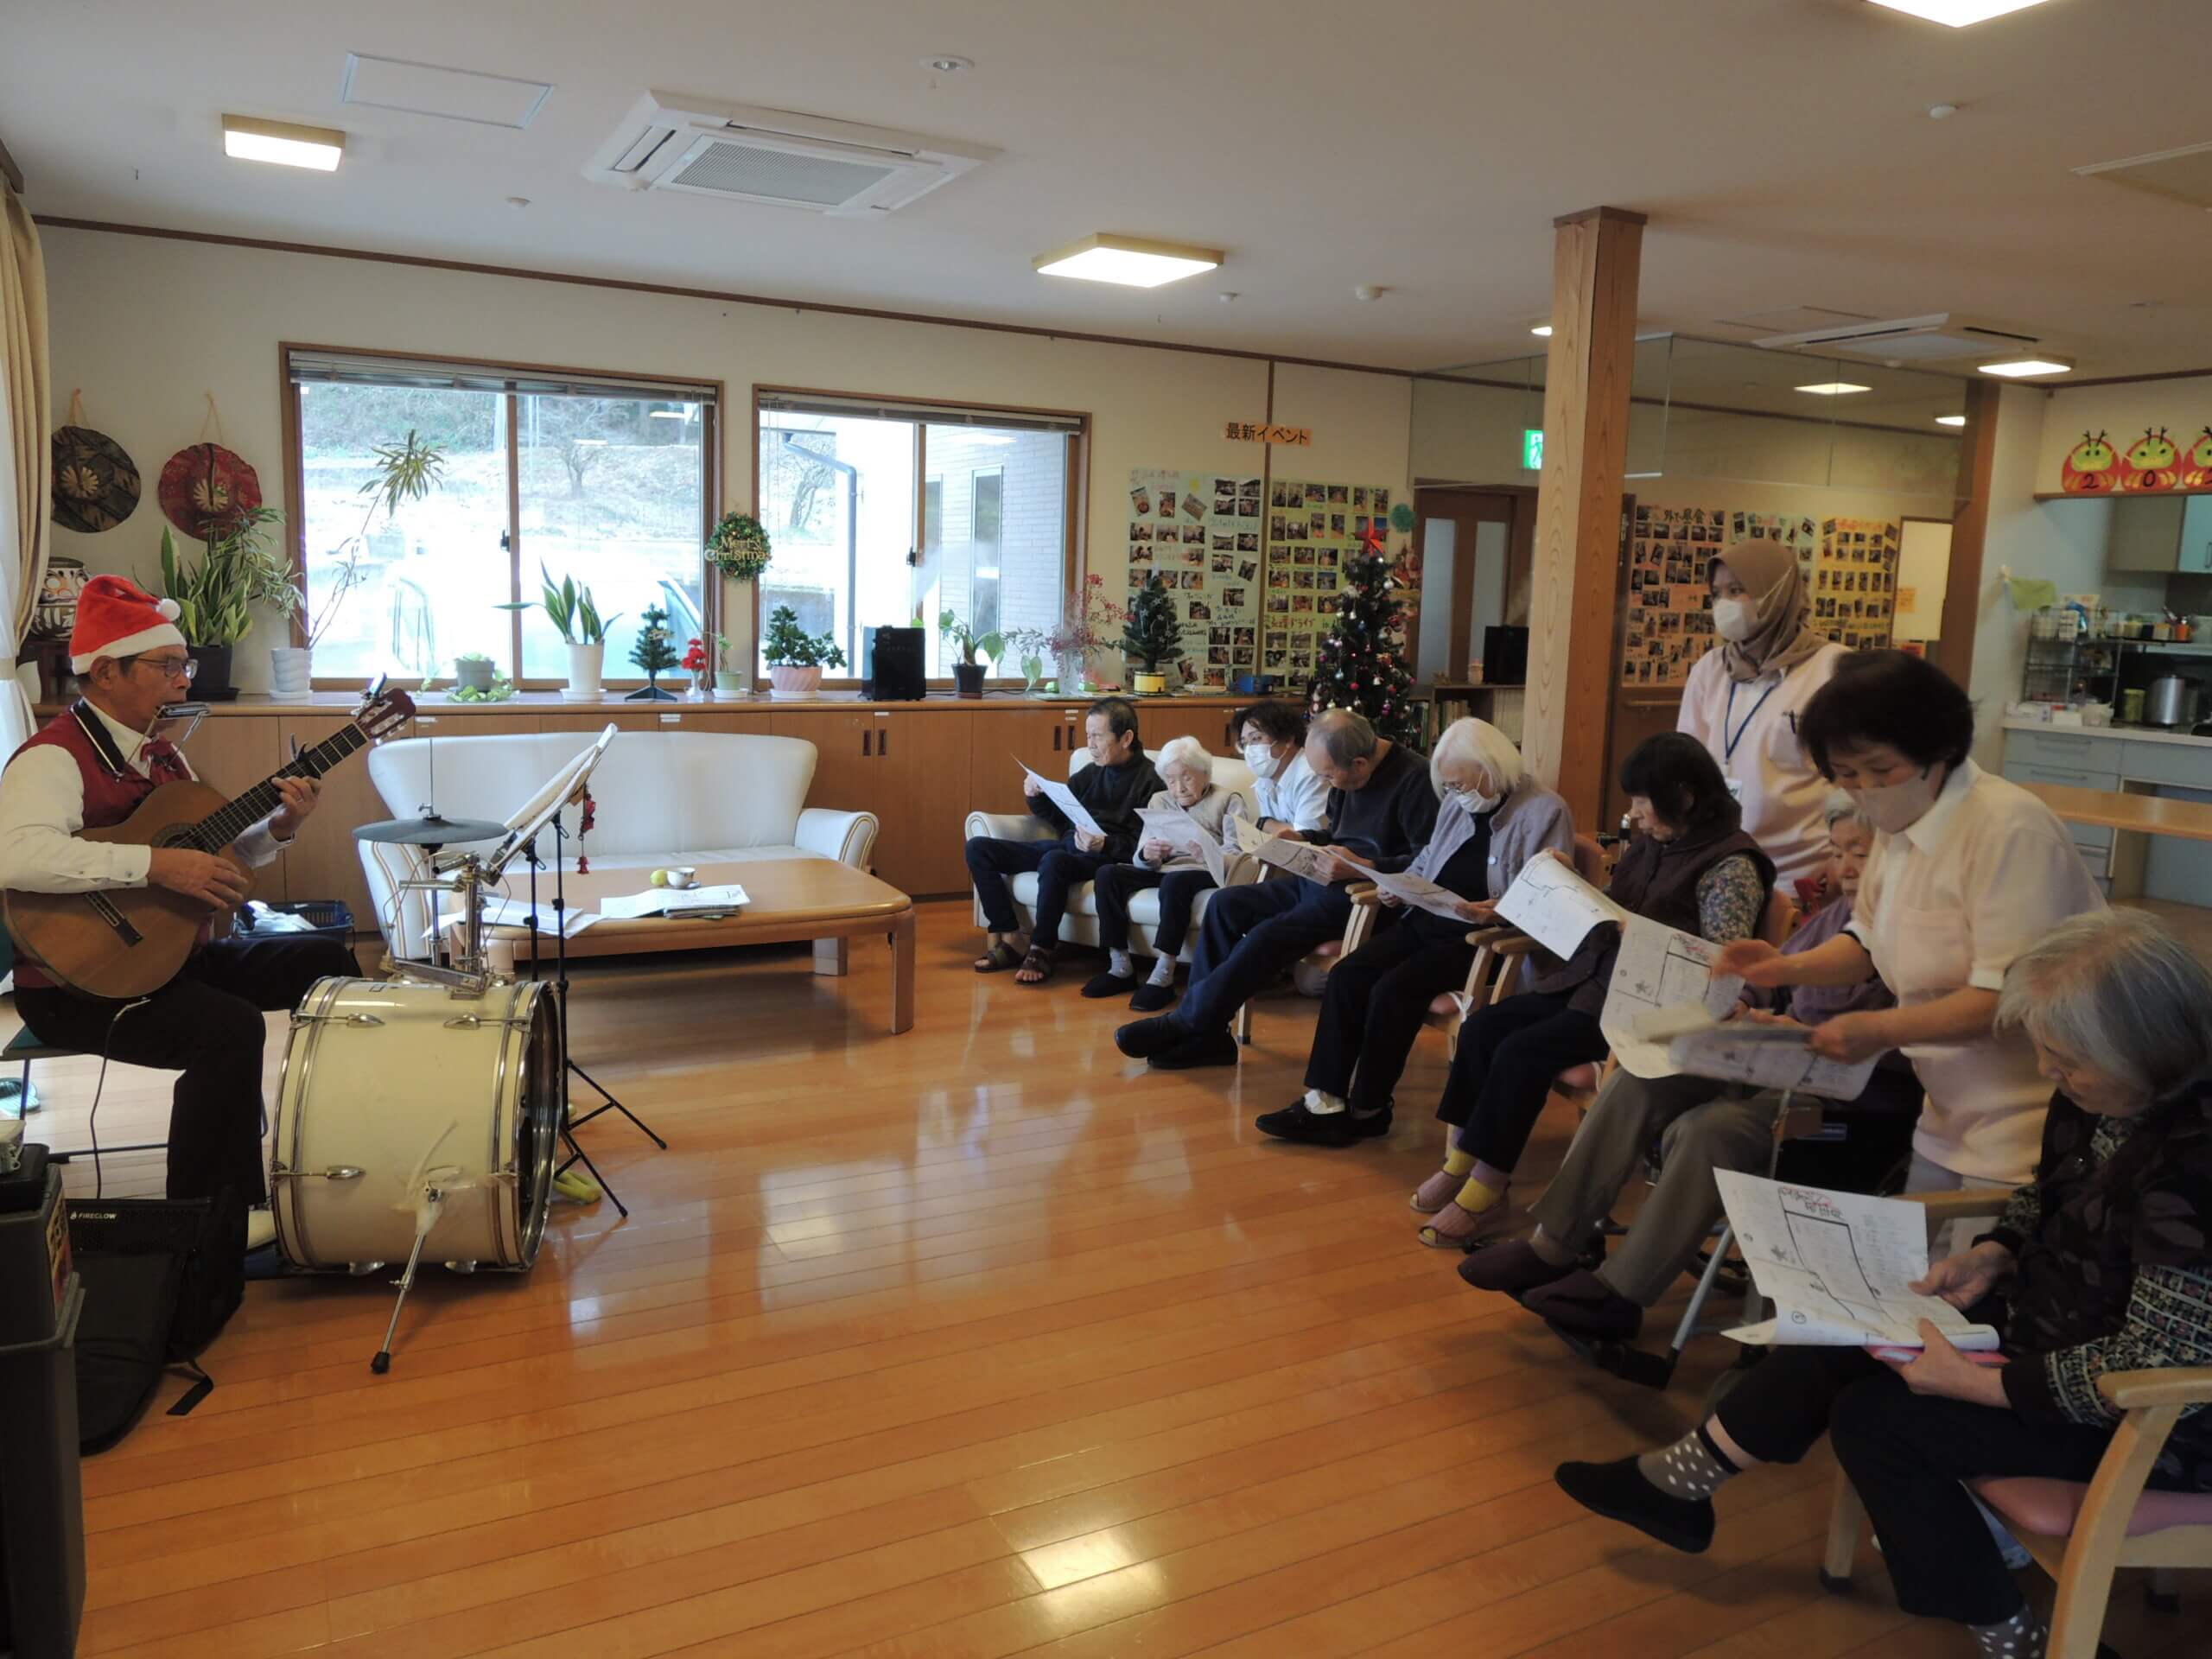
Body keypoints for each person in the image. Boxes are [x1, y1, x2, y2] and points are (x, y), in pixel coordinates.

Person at [1556, 909, 2212, 1659]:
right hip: (2055, 1323)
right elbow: (2051, 1194)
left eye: (2069, 1061)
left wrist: (1978, 1387)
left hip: (2149, 1421)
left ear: (2149, 1048)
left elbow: (2153, 1364)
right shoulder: (2104, 1097)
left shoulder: (2194, 1164)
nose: (2053, 1076)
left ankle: (2018, 1641)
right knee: (1853, 1327)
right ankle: (1683, 1483)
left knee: (1879, 1423)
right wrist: (1997, 1250)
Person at [1465, 794, 1921, 1338]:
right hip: (1780, 1069)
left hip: (1849, 1112)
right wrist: (1748, 1007)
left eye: (1861, 854)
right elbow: (1772, 980)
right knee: (1646, 1073)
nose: (1845, 867)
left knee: (1709, 1129)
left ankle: (1621, 1293)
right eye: (1839, 851)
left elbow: (1911, 1046)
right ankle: (1554, 1244)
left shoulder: (1921, 935)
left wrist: (1813, 1037)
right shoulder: (1843, 918)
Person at [0, 577, 354, 1251]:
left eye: (182, 666)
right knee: (227, 1029)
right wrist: (157, 866)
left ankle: (346, 1138)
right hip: (75, 986)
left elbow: (212, 856)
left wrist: (278, 827)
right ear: (106, 672)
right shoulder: (52, 757)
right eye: (167, 666)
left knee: (324, 959)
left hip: (163, 957)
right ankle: (211, 1215)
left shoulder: (163, 755)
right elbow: (14, 858)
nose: (182, 681)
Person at [1713, 651, 2104, 1225]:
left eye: (1880, 770)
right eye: (1846, 775)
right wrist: (1781, 968)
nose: (1865, 791)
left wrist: (1878, 1029)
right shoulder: (1902, 828)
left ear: (1938, 748)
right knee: (1911, 1279)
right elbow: (1868, 943)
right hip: (1946, 1108)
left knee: (1965, 1288)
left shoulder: (2008, 829)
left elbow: (2009, 996)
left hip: (2031, 1114)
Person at [1414, 733, 1776, 1249]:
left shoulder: (1731, 866)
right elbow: (1618, 903)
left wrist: (1638, 933)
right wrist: (1571, 888)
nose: (1635, 815)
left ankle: (1488, 1188)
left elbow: (1721, 964)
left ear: (1685, 796)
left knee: (1522, 1051)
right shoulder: (1658, 842)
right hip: (1594, 977)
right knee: (1482, 1028)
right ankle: (1460, 1162)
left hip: (1645, 1004)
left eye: (1643, 802)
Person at [1255, 719, 1573, 1147]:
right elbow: (1429, 858)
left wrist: (1497, 911)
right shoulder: (1460, 802)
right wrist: (1398, 886)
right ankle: (1324, 1101)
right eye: (1451, 787)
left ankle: (1368, 1108)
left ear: (1491, 767)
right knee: (1349, 974)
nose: (1456, 795)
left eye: (1461, 784)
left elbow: (1552, 896)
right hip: (1429, 916)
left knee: (1393, 989)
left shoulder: (1545, 811)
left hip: (1482, 938)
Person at [1115, 708, 1437, 1072]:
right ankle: (1210, 1038)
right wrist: (1301, 838)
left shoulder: (1415, 780)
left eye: (1330, 776)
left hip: (1368, 897)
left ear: (1361, 763)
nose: (1327, 783)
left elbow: (1428, 862)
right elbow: (1335, 836)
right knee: (1225, 904)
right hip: (1320, 879)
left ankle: (1187, 1022)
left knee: (1269, 934)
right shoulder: (1345, 769)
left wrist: (1365, 866)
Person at [1675, 538, 1848, 885]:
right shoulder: (1711, 669)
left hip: (1799, 873)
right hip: (1718, 867)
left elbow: (1854, 782)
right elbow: (1683, 761)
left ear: (1778, 592)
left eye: (1737, 590)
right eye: (1717, 593)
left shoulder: (1833, 669)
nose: (1724, 604)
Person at [968, 696, 1161, 986]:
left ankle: (1042, 949)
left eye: (1098, 736)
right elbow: (1061, 817)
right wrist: (1036, 796)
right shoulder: (1091, 772)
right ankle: (1010, 937)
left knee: (1054, 860)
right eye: (1088, 736)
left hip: (1107, 859)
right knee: (979, 848)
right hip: (1070, 848)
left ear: (1126, 738)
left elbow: (1144, 846)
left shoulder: (1152, 782)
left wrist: (1104, 844)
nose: (1090, 744)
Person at [1084, 735, 1245, 1008]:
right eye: (1171, 780)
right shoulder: (1160, 800)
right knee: (1108, 874)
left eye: (1187, 778)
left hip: (1204, 869)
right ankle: (1119, 965)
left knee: (1175, 882)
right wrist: (1147, 854)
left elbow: (1239, 853)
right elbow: (1142, 851)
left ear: (1204, 773)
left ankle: (1164, 974)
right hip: (1166, 867)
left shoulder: (1228, 799)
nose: (1178, 788)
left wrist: (1210, 853)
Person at [1234, 699, 1330, 839]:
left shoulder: (1312, 774)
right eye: (1244, 744)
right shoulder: (1264, 780)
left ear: (1288, 739)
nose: (1249, 750)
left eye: (1256, 738)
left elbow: (1308, 836)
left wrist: (1265, 823)